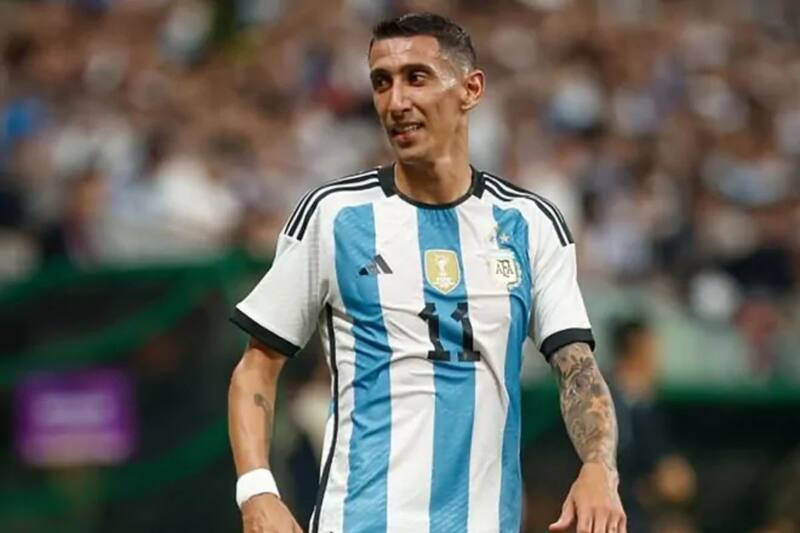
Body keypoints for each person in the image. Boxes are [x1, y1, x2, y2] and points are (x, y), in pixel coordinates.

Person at [228, 12, 625, 533]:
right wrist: (257, 492)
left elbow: (578, 368)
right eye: (381, 83)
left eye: (416, 77)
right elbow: (257, 366)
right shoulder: (335, 216)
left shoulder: (529, 224)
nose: (395, 102)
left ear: (471, 88)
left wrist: (600, 466)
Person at [608, 318, 696, 533]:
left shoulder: (643, 404)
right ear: (638, 348)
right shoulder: (615, 403)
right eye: (652, 350)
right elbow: (674, 483)